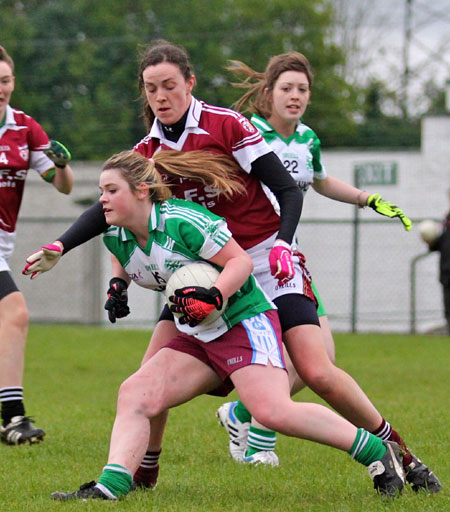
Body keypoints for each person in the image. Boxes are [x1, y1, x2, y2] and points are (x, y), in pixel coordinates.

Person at [22, 42, 439, 494]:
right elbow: (111, 208)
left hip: (262, 260)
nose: (161, 97)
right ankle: (143, 474)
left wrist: (282, 244)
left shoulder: (227, 125)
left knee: (317, 372)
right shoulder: (149, 151)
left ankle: (404, 456)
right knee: (146, 380)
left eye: (169, 86)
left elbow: (289, 189)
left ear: (190, 83)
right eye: (151, 89)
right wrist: (61, 246)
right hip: (205, 274)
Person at [39, 149, 405, 501]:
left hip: (242, 320)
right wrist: (118, 285)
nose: (101, 199)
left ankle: (376, 450)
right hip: (197, 331)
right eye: (102, 191)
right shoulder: (115, 234)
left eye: (111, 190)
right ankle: (113, 486)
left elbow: (241, 263)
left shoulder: (183, 221)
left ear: (141, 191)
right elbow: (130, 259)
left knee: (271, 411)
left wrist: (214, 296)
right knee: (135, 392)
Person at [215, 51, 420, 467]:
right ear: (267, 93)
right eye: (286, 88)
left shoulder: (308, 139)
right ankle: (258, 441)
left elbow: (321, 182)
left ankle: (241, 413)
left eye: (302, 89)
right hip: (249, 260)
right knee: (305, 363)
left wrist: (367, 198)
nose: (295, 96)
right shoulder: (247, 132)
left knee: (321, 361)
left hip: (286, 260)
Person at [0, 46, 73, 445]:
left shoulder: (25, 129)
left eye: (5, 80)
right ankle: (12, 418)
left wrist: (60, 165)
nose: (1, 88)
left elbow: (63, 187)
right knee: (15, 313)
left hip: (3, 245)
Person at [422, 189, 450, 334]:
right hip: (447, 271)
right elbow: (443, 242)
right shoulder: (447, 219)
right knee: (448, 304)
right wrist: (431, 242)